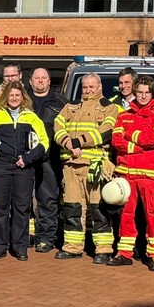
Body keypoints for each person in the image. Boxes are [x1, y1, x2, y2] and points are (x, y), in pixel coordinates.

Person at [0, 81, 48, 261]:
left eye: (17, 95)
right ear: (6, 97)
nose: (14, 98)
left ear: (22, 97)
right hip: (0, 167)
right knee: (0, 208)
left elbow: (44, 143)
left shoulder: (32, 117)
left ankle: (20, 248)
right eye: (11, 95)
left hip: (23, 168)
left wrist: (28, 158)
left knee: (22, 209)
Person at [53, 73, 120, 262]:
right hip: (71, 166)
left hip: (96, 167)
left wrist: (78, 142)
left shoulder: (109, 107)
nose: (88, 90)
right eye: (85, 87)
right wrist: (67, 142)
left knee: (99, 209)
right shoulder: (70, 106)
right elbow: (57, 126)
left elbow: (106, 132)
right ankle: (72, 247)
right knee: (72, 208)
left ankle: (103, 249)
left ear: (100, 87)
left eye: (92, 87)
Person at [109, 77, 154, 270]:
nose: (143, 96)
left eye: (147, 93)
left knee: (153, 216)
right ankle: (124, 253)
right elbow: (116, 140)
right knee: (126, 215)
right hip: (127, 174)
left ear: (152, 93)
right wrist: (136, 147)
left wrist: (130, 135)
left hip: (150, 176)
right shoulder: (124, 115)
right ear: (135, 92)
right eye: (140, 92)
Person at [28, 67, 66, 253]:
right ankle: (26, 235)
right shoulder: (21, 99)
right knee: (22, 199)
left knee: (47, 200)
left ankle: (46, 238)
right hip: (24, 159)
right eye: (37, 78)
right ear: (30, 81)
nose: (40, 81)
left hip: (49, 160)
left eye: (44, 78)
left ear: (49, 81)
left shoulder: (62, 103)